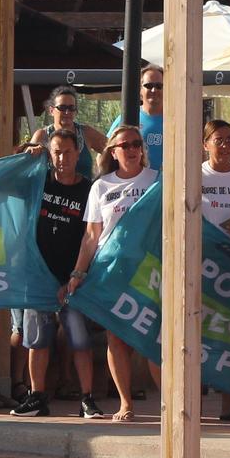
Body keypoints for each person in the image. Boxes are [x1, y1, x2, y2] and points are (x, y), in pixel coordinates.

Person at [69, 126, 158, 420]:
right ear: (113, 152)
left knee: (155, 337)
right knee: (116, 337)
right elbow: (92, 236)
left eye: (136, 144)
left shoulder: (158, 180)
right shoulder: (100, 187)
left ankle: (168, 404)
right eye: (125, 145)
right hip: (112, 271)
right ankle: (125, 403)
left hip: (149, 270)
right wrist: (78, 273)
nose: (132, 149)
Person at [13, 129, 98, 419]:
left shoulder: (89, 189)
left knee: (79, 340)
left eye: (67, 152)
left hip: (73, 279)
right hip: (38, 277)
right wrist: (25, 156)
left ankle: (87, 398)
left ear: (78, 154)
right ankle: (37, 396)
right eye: (56, 152)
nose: (62, 158)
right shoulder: (38, 183)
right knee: (36, 341)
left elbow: (93, 235)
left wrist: (77, 274)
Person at [23, 86, 105, 177]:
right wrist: (32, 152)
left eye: (71, 108)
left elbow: (114, 149)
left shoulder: (86, 133)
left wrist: (104, 179)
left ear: (75, 111)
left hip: (85, 190)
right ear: (51, 110)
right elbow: (27, 167)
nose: (67, 112)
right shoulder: (42, 135)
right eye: (62, 107)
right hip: (50, 191)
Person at [135, 64, 165, 168]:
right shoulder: (128, 118)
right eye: (148, 86)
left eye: (159, 86)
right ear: (140, 90)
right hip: (137, 183)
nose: (154, 90)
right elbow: (106, 151)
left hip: (170, 183)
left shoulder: (177, 120)